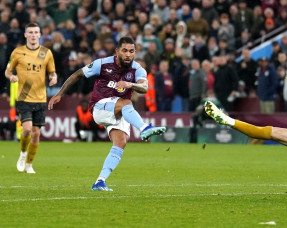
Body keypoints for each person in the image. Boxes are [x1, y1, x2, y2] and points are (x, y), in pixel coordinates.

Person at [48, 36, 166, 191]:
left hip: (119, 111)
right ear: (117, 51)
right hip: (99, 107)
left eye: (131, 51)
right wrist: (60, 93)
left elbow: (144, 88)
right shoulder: (102, 64)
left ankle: (100, 181)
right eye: (124, 51)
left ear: (135, 52)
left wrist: (129, 84)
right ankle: (144, 128)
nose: (128, 54)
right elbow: (77, 74)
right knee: (126, 102)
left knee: (121, 142)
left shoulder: (138, 69)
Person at [5, 22, 57, 174]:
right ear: (26, 35)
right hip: (24, 97)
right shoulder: (17, 52)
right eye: (31, 32)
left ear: (40, 35)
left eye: (36, 32)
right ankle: (22, 153)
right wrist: (11, 77)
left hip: (40, 98)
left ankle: (29, 163)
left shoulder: (46, 53)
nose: (33, 35)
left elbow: (52, 72)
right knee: (27, 129)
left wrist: (53, 78)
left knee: (36, 133)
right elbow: (7, 71)